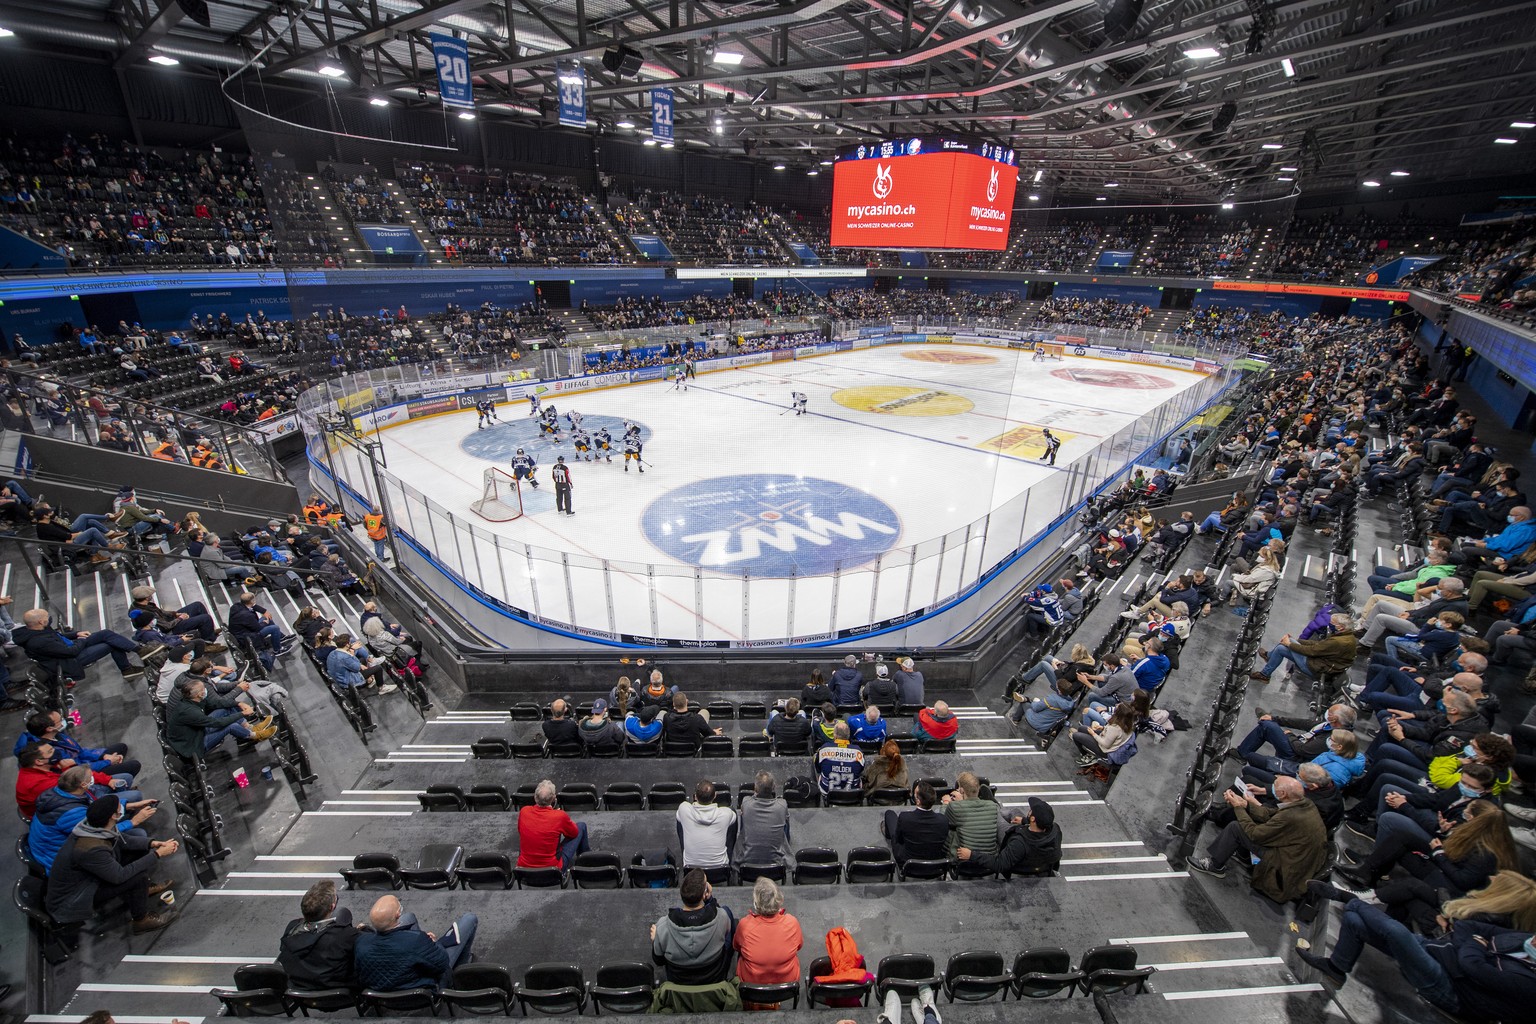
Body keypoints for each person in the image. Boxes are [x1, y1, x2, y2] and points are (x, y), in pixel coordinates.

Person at [1295, 894, 1536, 1018]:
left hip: (1450, 989)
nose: (1533, 939)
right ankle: (1336, 968)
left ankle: (1352, 900)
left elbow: (1472, 967)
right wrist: (1476, 945)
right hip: (1445, 954)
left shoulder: (1530, 985)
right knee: (1354, 921)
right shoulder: (1523, 938)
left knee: (1394, 930)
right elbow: (1468, 928)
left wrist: (1474, 947)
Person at [44, 795, 177, 932]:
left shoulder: (94, 826)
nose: (122, 809)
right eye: (119, 808)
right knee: (138, 877)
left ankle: (141, 892)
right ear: (113, 816)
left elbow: (124, 840)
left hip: (90, 879)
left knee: (139, 851)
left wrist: (153, 843)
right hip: (75, 898)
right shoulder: (90, 848)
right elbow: (119, 876)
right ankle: (141, 921)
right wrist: (158, 854)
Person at [1187, 775, 1328, 901]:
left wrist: (1238, 808)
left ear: (1282, 793)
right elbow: (1270, 814)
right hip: (1293, 855)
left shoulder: (1291, 816)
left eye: (1275, 787)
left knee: (1236, 828)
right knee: (1249, 820)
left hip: (1284, 866)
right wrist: (1246, 804)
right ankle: (1241, 854)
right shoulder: (1304, 803)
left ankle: (1214, 866)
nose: (1272, 788)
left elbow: (1255, 834)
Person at [28, 766, 155, 872]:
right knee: (139, 836)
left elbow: (98, 807)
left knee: (133, 806)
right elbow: (99, 833)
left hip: (77, 842)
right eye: (91, 778)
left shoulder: (65, 792)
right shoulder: (71, 814)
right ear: (83, 784)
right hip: (64, 862)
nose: (93, 779)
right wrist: (133, 822)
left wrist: (129, 806)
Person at [354, 894, 478, 993]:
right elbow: (442, 963)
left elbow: (359, 974)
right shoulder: (417, 940)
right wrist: (434, 943)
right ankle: (460, 970)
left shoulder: (361, 942)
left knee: (409, 917)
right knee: (469, 919)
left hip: (382, 990)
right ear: (397, 914)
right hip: (419, 989)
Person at [651, 868, 736, 984]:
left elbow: (659, 960)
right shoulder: (722, 917)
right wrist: (710, 900)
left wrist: (656, 938)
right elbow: (716, 912)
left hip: (679, 984)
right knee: (728, 912)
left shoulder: (662, 926)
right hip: (713, 980)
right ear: (705, 893)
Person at [13, 608, 141, 680]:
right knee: (111, 644)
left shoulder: (37, 628)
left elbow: (57, 636)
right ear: (41, 622)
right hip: (70, 660)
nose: (48, 618)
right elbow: (70, 652)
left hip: (69, 646)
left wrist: (76, 634)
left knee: (105, 634)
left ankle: (139, 650)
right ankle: (127, 669)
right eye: (46, 617)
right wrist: (81, 640)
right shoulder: (38, 642)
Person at [165, 677, 276, 761]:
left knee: (225, 709)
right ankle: (255, 736)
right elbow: (217, 723)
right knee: (230, 725)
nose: (206, 690)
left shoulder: (193, 700)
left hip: (197, 731)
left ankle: (251, 728)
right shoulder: (189, 712)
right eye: (204, 689)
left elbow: (217, 703)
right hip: (193, 745)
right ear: (199, 694)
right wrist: (242, 713)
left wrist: (239, 703)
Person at [277, 880, 360, 991]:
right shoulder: (345, 935)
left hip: (300, 989)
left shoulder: (292, 928)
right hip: (335, 992)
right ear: (332, 907)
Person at [956, 797, 1062, 878]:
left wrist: (971, 855)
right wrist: (1025, 821)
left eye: (1031, 811)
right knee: (1015, 812)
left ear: (1033, 819)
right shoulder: (1055, 831)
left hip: (1012, 844)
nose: (1029, 810)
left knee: (996, 816)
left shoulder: (1019, 843)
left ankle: (991, 805)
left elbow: (999, 864)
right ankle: (998, 807)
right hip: (1035, 860)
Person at [733, 878, 803, 997]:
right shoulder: (792, 923)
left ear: (756, 903)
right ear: (779, 900)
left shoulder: (745, 925)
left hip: (751, 984)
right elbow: (799, 946)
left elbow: (736, 946)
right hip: (787, 982)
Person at [1248, 613, 1359, 684]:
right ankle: (1266, 670)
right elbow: (1318, 644)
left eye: (1332, 623)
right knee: (1282, 647)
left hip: (1317, 668)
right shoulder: (1346, 636)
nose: (1329, 624)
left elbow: (1312, 651)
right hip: (1321, 663)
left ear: (1340, 627)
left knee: (1284, 645)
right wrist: (1298, 640)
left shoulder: (1338, 641)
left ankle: (1266, 668)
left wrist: (1290, 644)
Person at [517, 779, 589, 870]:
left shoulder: (524, 811)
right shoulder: (560, 816)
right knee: (581, 826)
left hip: (524, 870)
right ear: (553, 799)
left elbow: (520, 831)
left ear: (535, 797)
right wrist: (559, 818)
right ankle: (586, 861)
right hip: (553, 870)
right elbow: (574, 833)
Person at [882, 781, 949, 865]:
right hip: (934, 861)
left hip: (907, 861)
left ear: (918, 801)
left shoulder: (905, 817)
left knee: (890, 814)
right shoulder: (943, 820)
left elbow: (898, 839)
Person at [677, 781, 738, 870]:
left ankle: (687, 852)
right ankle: (729, 853)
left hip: (691, 868)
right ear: (715, 796)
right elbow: (733, 819)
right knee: (733, 814)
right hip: (720, 869)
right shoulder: (726, 813)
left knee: (680, 818)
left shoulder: (684, 809)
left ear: (695, 797)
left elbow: (680, 815)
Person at [942, 772, 1000, 866]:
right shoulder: (993, 806)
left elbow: (942, 821)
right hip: (990, 861)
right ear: (978, 788)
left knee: (953, 830)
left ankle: (949, 860)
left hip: (965, 863)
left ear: (961, 790)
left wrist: (946, 803)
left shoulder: (955, 807)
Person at [737, 772, 791, 867]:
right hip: (777, 861)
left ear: (755, 788)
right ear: (774, 787)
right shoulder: (782, 805)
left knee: (743, 817)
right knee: (784, 821)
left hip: (747, 859)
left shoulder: (746, 802)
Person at [1070, 701, 1136, 767]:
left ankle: (1086, 756)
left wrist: (1093, 734)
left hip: (1105, 751)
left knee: (1076, 736)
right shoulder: (1128, 724)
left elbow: (1105, 744)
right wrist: (1103, 728)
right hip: (1110, 740)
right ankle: (1085, 745)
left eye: (1116, 708)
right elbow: (1115, 735)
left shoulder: (1115, 728)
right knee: (1082, 728)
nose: (1115, 706)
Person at [815, 722, 865, 794]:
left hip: (827, 792)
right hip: (852, 794)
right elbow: (861, 769)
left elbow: (818, 769)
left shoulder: (824, 748)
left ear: (834, 735)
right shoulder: (858, 751)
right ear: (848, 735)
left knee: (816, 759)